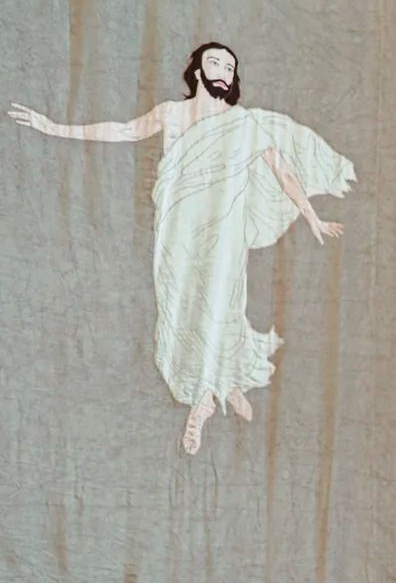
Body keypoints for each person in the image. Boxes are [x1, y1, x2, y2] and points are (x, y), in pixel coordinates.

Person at [10, 42, 353, 454]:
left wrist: (312, 217)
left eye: (230, 65)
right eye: (215, 62)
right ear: (196, 69)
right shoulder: (172, 113)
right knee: (180, 312)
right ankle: (222, 382)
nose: (223, 69)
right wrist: (55, 128)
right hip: (176, 232)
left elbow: (282, 173)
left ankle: (205, 401)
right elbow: (123, 130)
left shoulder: (243, 124)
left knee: (220, 307)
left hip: (223, 235)